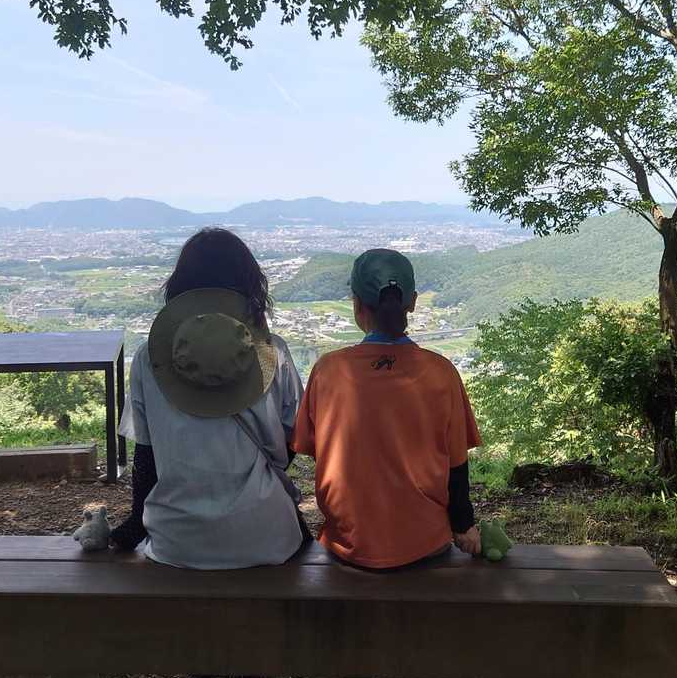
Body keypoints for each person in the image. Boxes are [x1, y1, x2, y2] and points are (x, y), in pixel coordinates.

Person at [108, 228, 308, 568]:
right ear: (248, 288)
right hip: (268, 535)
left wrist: (135, 523)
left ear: (182, 289)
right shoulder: (272, 353)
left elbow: (146, 456)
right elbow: (293, 439)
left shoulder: (149, 359)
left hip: (176, 541)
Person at [292, 248, 482, 569]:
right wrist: (464, 526)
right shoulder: (441, 372)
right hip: (425, 544)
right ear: (413, 302)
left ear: (356, 304)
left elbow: (315, 450)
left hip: (348, 546)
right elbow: (457, 468)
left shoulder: (328, 371)